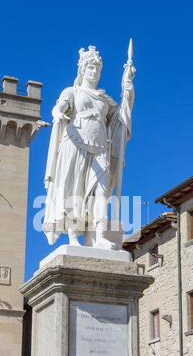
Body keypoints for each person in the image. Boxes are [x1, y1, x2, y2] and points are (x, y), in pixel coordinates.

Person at [43, 45, 135, 248]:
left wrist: (127, 90)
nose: (94, 72)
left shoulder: (104, 99)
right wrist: (57, 113)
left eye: (97, 69)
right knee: (75, 190)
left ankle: (99, 235)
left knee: (101, 191)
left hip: (101, 147)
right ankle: (73, 237)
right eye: (90, 68)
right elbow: (60, 106)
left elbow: (119, 119)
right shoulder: (72, 91)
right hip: (75, 144)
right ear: (82, 70)